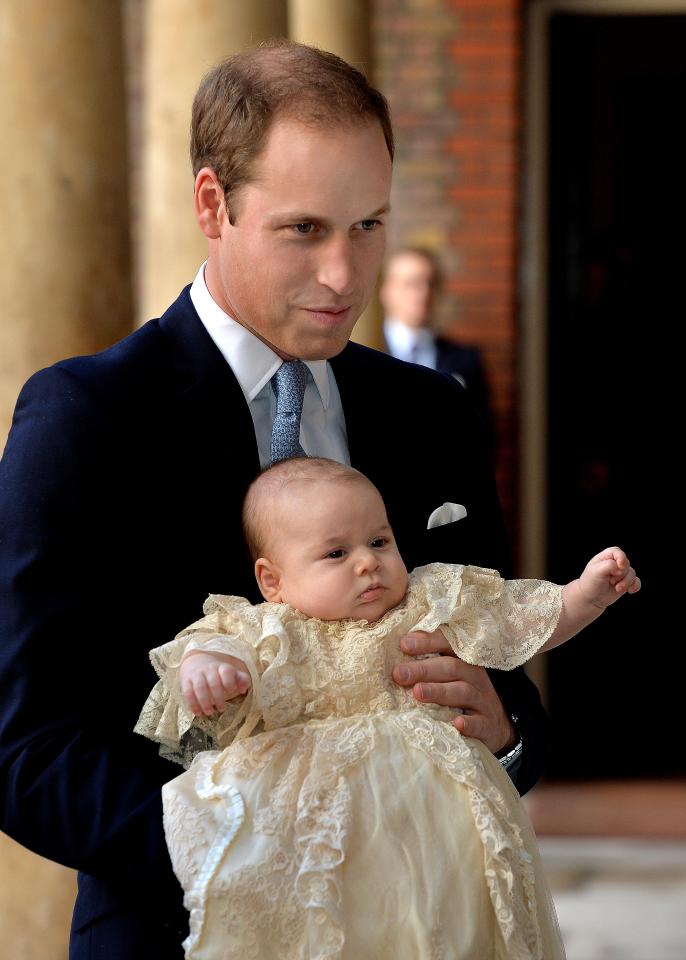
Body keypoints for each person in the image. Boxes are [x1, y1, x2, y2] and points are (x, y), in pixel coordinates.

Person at [1, 41, 549, 959]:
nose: (346, 274)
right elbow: (26, 746)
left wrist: (503, 734)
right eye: (306, 230)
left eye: (369, 225)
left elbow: (502, 666)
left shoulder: (434, 414)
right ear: (213, 204)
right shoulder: (83, 416)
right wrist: (248, 854)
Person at [135, 456, 640, 960]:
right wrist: (209, 666)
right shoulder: (271, 631)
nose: (367, 562)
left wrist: (584, 596)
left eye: (379, 542)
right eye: (336, 553)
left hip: (442, 832)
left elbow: (518, 619)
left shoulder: (428, 602)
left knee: (461, 930)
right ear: (272, 582)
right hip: (323, 838)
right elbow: (209, 646)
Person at [380, 246, 494, 446]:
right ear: (387, 291)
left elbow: (483, 436)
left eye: (431, 284)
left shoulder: (465, 359)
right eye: (411, 283)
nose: (423, 293)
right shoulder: (357, 353)